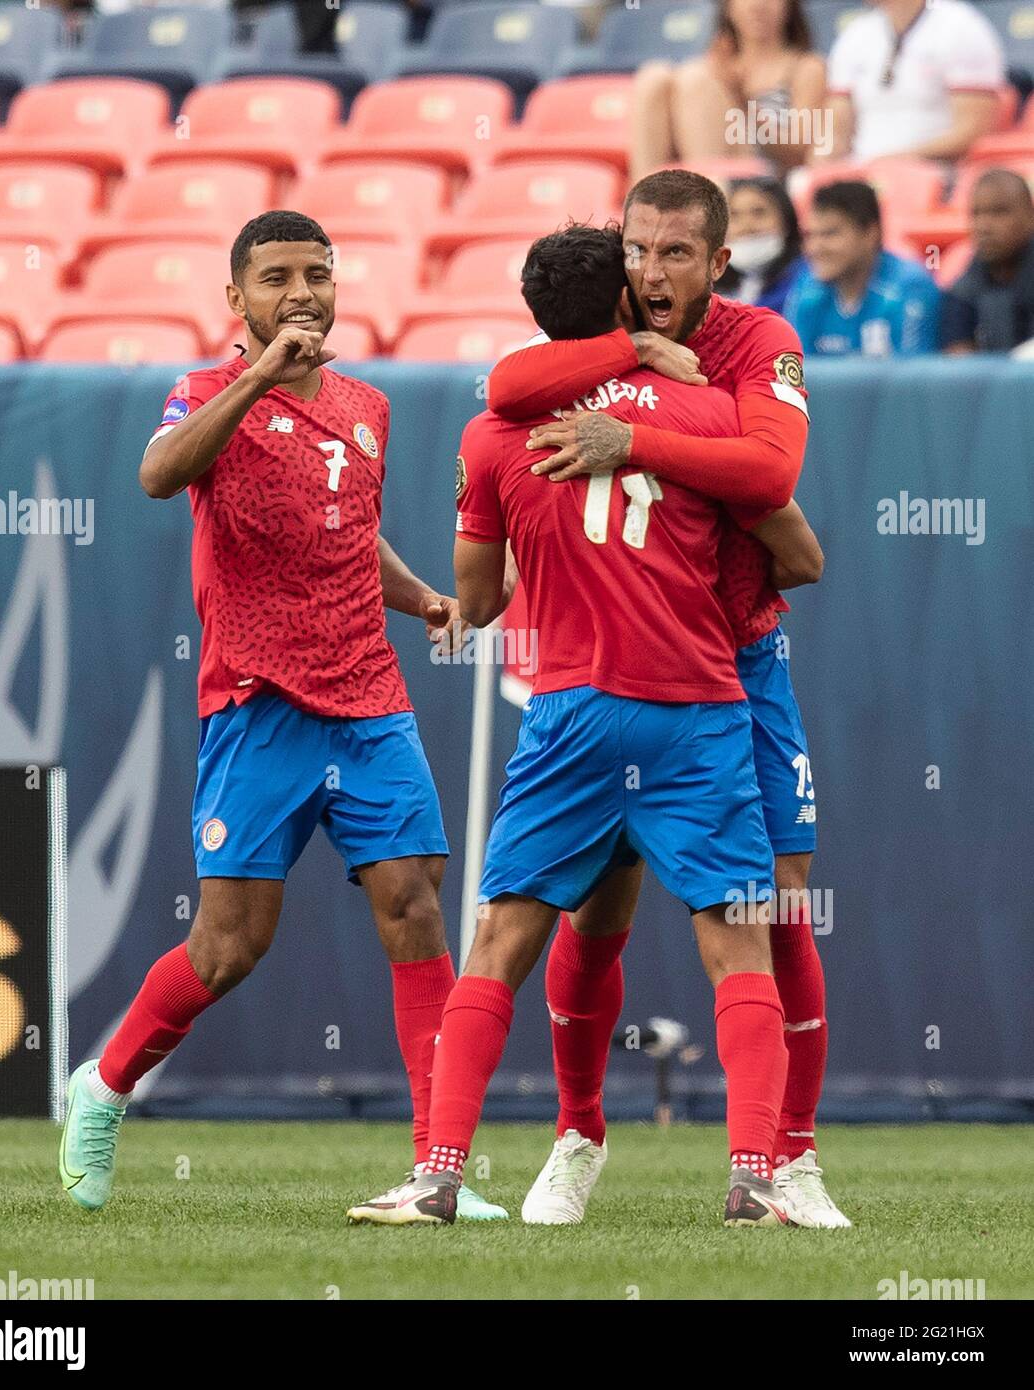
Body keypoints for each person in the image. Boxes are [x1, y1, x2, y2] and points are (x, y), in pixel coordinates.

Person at [348, 221, 801, 1229]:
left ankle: (439, 1176)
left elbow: (478, 594)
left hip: (573, 711)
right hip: (695, 709)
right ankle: (752, 1179)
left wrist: (518, 569)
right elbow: (783, 535)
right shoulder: (707, 408)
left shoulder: (493, 433)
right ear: (621, 304)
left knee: (500, 938)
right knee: (738, 948)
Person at [56, 210, 506, 1222]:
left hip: (368, 699)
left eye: (315, 273)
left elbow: (350, 534)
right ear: (237, 301)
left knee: (414, 902)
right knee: (228, 946)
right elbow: (157, 474)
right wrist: (258, 378)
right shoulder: (207, 393)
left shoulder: (365, 405)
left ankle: (438, 1167)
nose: (299, 292)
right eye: (275, 278)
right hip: (257, 702)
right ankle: (105, 1083)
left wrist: (427, 596)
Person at [470, 170, 848, 1229]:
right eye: (638, 248)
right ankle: (575, 1136)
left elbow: (770, 474)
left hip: (735, 665)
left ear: (717, 263)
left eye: (675, 253)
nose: (650, 271)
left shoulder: (758, 338)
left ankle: (789, 1155)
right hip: (612, 670)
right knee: (595, 904)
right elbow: (501, 393)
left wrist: (632, 438)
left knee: (776, 897)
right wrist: (631, 358)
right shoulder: (594, 338)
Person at [630, 0, 828, 180]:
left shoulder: (806, 66)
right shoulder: (716, 64)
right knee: (653, 77)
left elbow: (798, 153)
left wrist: (741, 100)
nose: (757, 5)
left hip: (766, 175)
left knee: (696, 80)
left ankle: (706, 203)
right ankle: (641, 201)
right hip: (707, 160)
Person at [821, 0, 1004, 163]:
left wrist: (895, 161)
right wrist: (821, 160)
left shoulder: (961, 27)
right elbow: (837, 129)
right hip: (863, 173)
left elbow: (971, 130)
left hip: (937, 172)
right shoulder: (855, 35)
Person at [786, 180, 941, 355]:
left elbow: (915, 376)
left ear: (871, 234)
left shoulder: (910, 287)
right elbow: (795, 373)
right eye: (809, 235)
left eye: (830, 234)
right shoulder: (806, 287)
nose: (814, 248)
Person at [941, 168, 1034, 353]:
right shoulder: (965, 287)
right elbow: (956, 362)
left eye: (999, 212)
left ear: (1030, 216)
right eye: (976, 214)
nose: (984, 226)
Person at [718, 177, 807, 315]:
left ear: (786, 222)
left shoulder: (806, 280)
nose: (746, 226)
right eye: (735, 215)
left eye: (759, 213)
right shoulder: (713, 288)